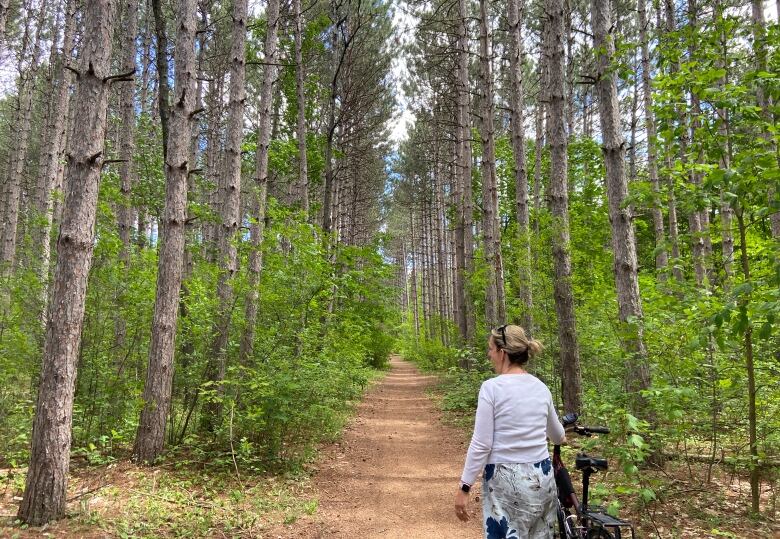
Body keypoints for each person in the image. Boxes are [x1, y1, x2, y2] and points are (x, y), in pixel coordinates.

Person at [454, 324, 566, 539]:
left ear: (502, 353)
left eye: (490, 349)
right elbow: (556, 434)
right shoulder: (541, 387)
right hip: (542, 478)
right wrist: (562, 437)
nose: (489, 354)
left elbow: (481, 444)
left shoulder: (492, 388)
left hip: (506, 480)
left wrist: (465, 486)